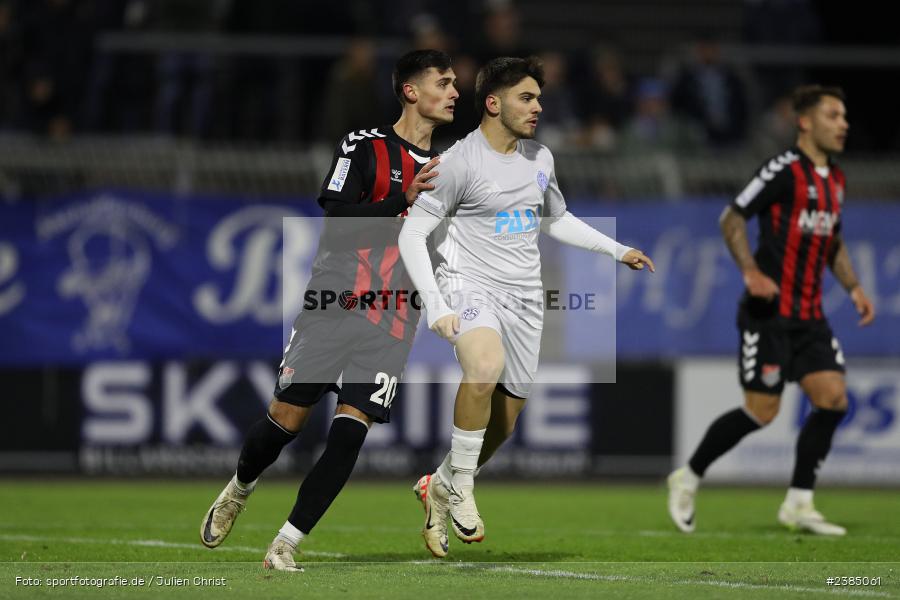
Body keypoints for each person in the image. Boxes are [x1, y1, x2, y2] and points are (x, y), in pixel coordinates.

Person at [199, 49, 459, 571]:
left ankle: (285, 543)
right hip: (335, 302)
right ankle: (240, 486)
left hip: (395, 315)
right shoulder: (364, 147)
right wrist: (401, 200)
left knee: (350, 432)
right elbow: (338, 220)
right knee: (285, 422)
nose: (456, 91)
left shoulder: (452, 168)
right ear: (411, 91)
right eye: (444, 82)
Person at [397, 56, 655, 558]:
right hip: (469, 288)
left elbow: (555, 220)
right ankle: (464, 490)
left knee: (507, 423)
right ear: (493, 103)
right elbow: (412, 233)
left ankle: (442, 483)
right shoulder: (457, 163)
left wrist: (616, 250)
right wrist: (435, 304)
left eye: (538, 97)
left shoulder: (540, 159)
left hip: (525, 299)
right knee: (484, 366)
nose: (538, 106)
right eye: (527, 98)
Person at [667, 85, 875, 536]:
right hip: (769, 313)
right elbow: (733, 217)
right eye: (833, 115)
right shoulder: (783, 170)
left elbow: (832, 239)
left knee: (833, 399)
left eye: (844, 116)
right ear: (805, 121)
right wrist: (749, 271)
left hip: (810, 315)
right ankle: (688, 476)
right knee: (763, 411)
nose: (844, 124)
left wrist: (854, 286)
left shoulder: (835, 179)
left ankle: (799, 503)